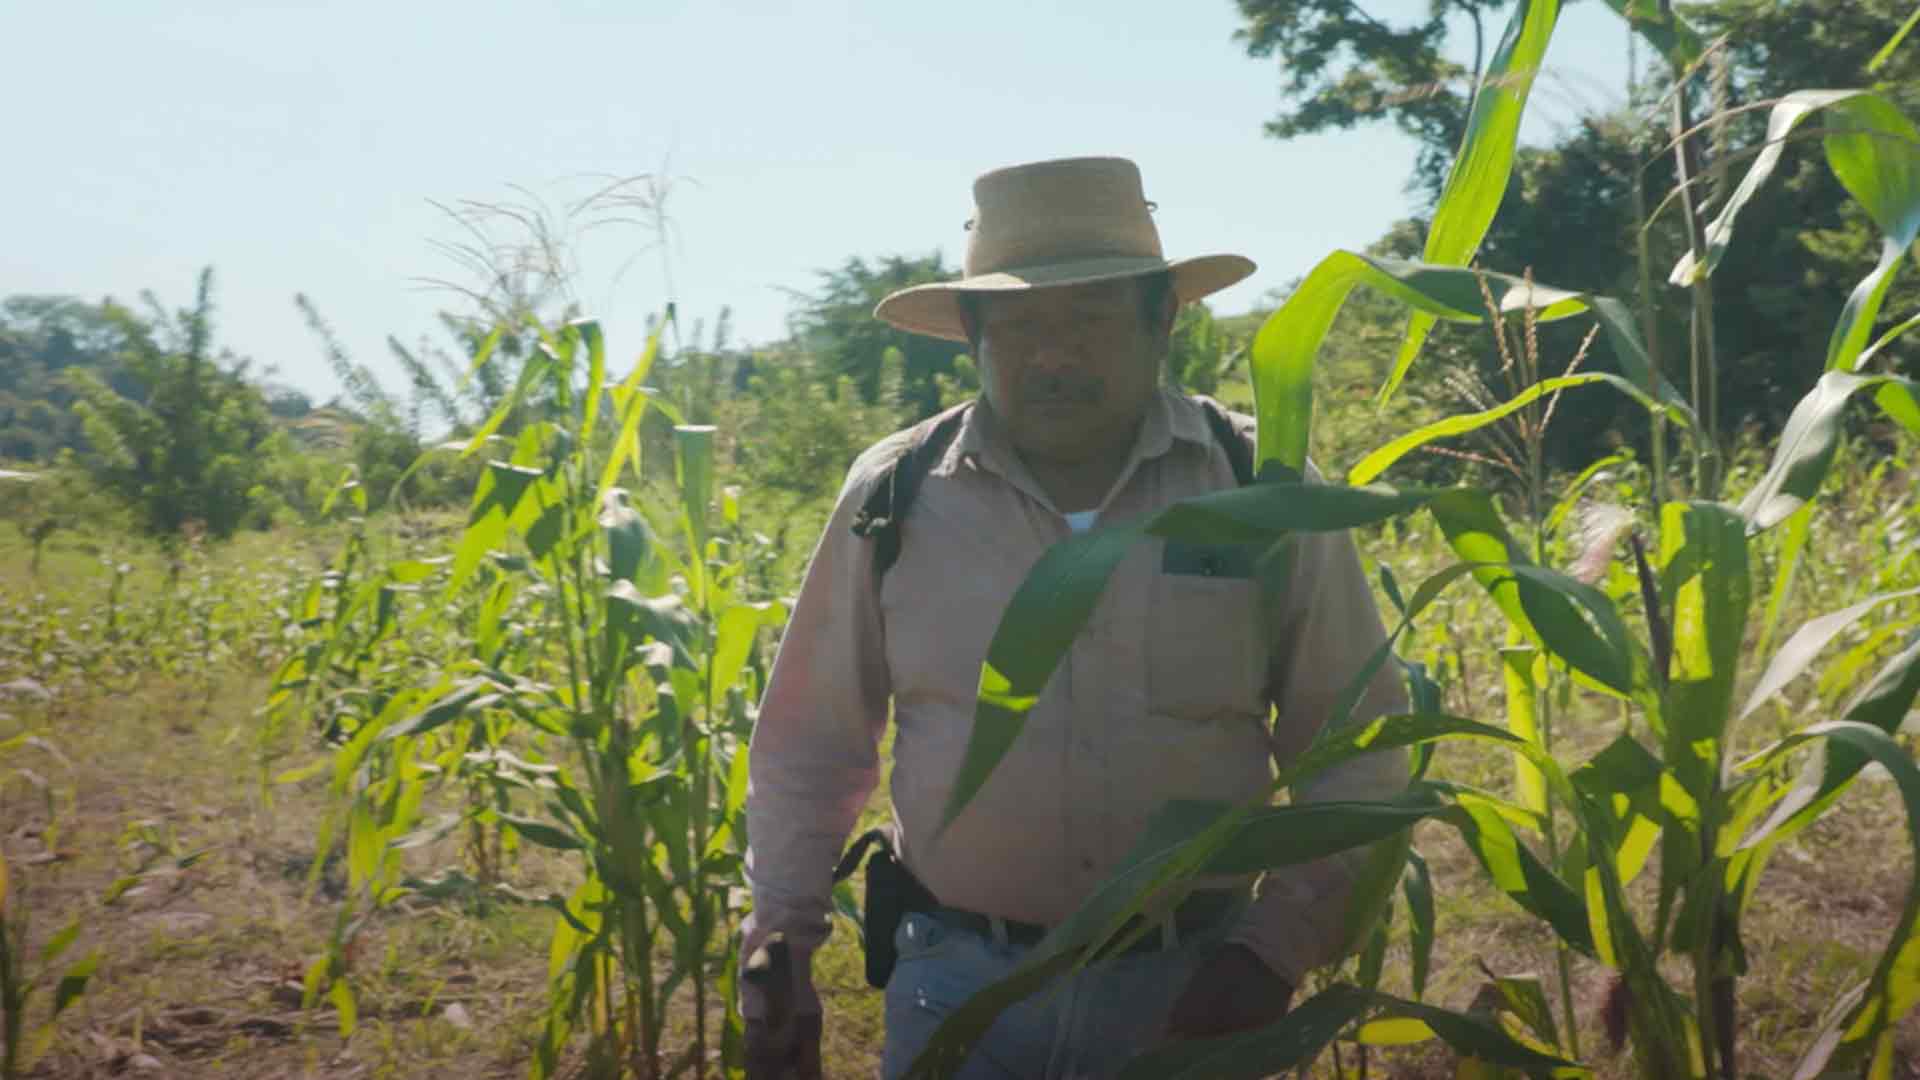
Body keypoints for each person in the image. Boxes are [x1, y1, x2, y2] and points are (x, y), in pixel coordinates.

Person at [738, 156, 1409, 1079]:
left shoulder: (1260, 485)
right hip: (955, 983)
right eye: (1018, 327)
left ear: (1161, 319)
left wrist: (1269, 954)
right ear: (971, 334)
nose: (1053, 355)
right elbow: (812, 738)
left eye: (1089, 320)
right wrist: (780, 936)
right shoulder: (895, 495)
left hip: (1192, 985)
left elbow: (1359, 740)